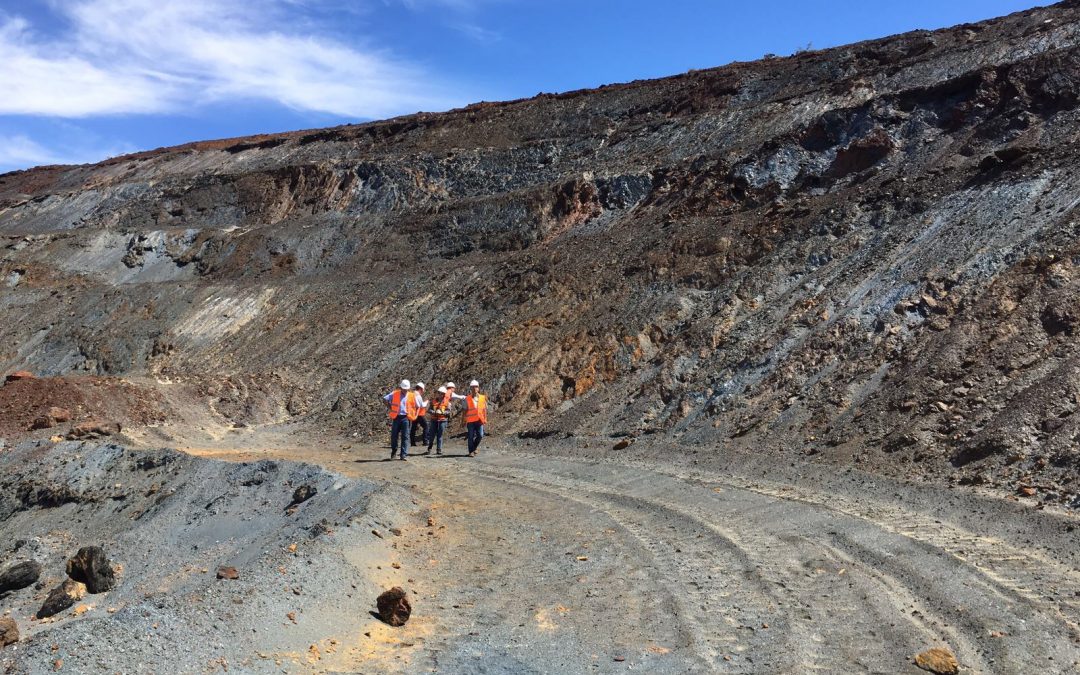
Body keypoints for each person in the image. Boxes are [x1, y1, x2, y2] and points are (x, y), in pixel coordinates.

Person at [383, 379, 419, 460]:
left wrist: (413, 414)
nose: (405, 390)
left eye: (406, 389)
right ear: (401, 388)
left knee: (405, 436)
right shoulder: (395, 393)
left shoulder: (412, 395)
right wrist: (391, 408)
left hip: (406, 418)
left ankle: (403, 455)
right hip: (397, 417)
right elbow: (385, 399)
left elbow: (417, 406)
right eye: (404, 389)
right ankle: (394, 452)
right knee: (394, 436)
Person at [463, 379, 488, 457]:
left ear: (478, 388)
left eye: (476, 387)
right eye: (473, 387)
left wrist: (485, 419)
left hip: (479, 420)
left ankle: (475, 447)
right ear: (470, 388)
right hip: (470, 421)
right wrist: (463, 421)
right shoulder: (467, 399)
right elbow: (464, 410)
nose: (474, 388)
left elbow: (484, 410)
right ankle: (471, 451)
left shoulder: (483, 398)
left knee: (480, 435)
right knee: (470, 436)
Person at [426, 385, 452, 455]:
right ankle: (429, 448)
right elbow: (428, 410)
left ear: (444, 394)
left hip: (442, 420)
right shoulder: (433, 401)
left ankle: (439, 449)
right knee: (432, 435)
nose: (440, 394)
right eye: (439, 393)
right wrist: (434, 412)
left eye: (442, 393)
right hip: (434, 420)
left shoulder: (447, 402)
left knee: (440, 435)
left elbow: (449, 412)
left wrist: (443, 412)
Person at [410, 382, 428, 449]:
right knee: (426, 426)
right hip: (419, 414)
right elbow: (421, 405)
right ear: (421, 388)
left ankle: (412, 442)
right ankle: (425, 441)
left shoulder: (412, 394)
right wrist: (426, 402)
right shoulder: (418, 395)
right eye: (423, 389)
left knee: (413, 428)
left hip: (413, 413)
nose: (423, 390)